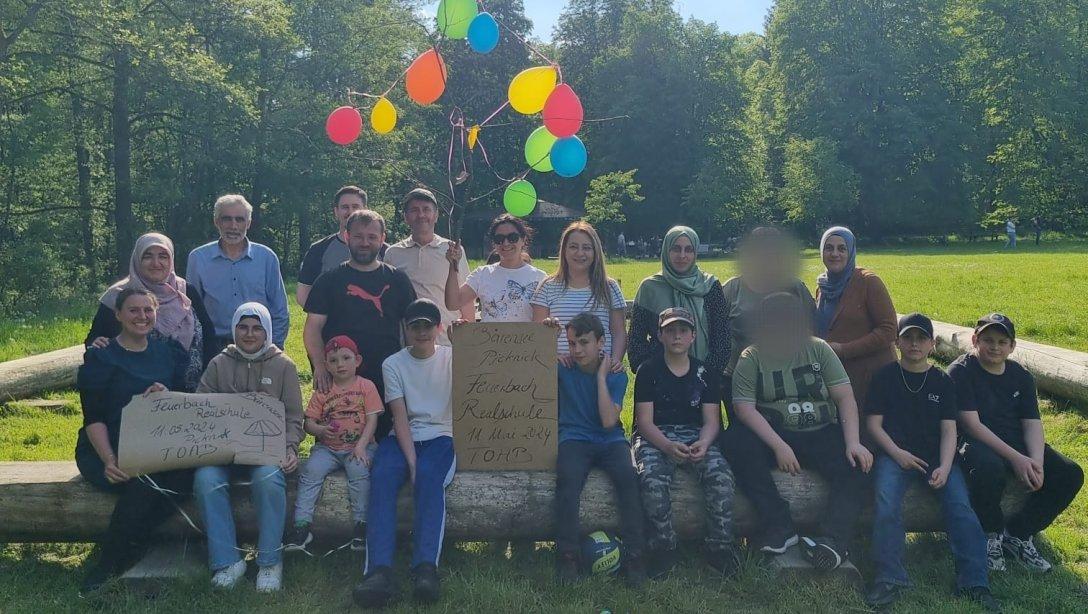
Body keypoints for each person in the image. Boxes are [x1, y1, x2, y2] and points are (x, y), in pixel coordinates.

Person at [721, 292, 871, 569]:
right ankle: (778, 525)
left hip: (820, 429)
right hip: (774, 432)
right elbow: (744, 409)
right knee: (734, 442)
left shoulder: (818, 349)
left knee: (858, 465)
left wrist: (853, 443)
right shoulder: (751, 356)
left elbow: (844, 397)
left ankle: (833, 540)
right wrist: (779, 445)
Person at [864, 313, 999, 611]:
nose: (914, 344)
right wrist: (897, 454)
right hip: (894, 455)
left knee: (961, 506)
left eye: (921, 338)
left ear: (932, 344)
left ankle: (974, 581)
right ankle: (889, 577)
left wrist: (946, 466)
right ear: (897, 342)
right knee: (886, 502)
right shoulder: (885, 377)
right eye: (908, 338)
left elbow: (950, 430)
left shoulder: (942, 380)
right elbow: (874, 425)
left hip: (938, 458)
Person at [75, 288, 194, 595]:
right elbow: (93, 417)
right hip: (106, 446)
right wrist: (109, 460)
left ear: (155, 314)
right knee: (146, 481)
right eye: (133, 310)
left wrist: (166, 394)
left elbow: (183, 401)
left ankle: (135, 542)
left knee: (189, 476)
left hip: (156, 444)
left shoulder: (168, 352)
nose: (141, 316)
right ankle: (109, 564)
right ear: (118, 315)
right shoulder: (101, 357)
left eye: (148, 310)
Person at [949, 313, 1083, 572]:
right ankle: (991, 534)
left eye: (1002, 341)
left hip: (1016, 441)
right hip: (977, 441)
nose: (995, 347)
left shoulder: (1020, 375)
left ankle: (1019, 534)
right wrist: (1016, 458)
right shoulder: (961, 371)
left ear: (1012, 346)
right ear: (975, 340)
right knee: (989, 469)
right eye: (988, 340)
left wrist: (1036, 461)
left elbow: (1032, 422)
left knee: (1070, 473)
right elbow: (971, 425)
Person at [192, 302, 304, 592]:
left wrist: (290, 448)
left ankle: (269, 561)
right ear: (234, 330)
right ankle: (228, 560)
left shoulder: (283, 366)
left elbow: (294, 416)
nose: (250, 334)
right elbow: (200, 407)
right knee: (206, 479)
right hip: (223, 451)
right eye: (243, 327)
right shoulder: (219, 363)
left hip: (265, 451)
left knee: (268, 479)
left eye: (257, 328)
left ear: (266, 330)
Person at [353, 299, 455, 609]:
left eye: (428, 325)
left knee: (428, 477)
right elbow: (399, 416)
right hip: (403, 436)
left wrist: (419, 468)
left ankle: (425, 568)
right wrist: (411, 461)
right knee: (382, 477)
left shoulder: (454, 358)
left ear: (439, 328)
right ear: (406, 329)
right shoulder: (393, 364)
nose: (422, 332)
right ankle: (379, 572)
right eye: (415, 326)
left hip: (441, 436)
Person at [634, 307, 738, 579]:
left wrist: (703, 443)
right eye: (670, 331)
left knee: (721, 475)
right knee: (651, 479)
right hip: (656, 435)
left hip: (695, 434)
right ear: (660, 336)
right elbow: (644, 422)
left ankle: (720, 548)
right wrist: (667, 447)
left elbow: (712, 421)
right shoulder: (648, 371)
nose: (676, 337)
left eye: (682, 331)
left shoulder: (705, 372)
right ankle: (664, 547)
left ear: (693, 336)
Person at [553, 313, 647, 587]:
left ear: (600, 342)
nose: (577, 350)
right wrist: (551, 353)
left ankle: (635, 556)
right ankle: (567, 555)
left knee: (630, 480)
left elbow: (608, 421)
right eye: (571, 344)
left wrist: (600, 378)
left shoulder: (616, 374)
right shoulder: (564, 368)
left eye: (583, 343)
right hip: (574, 437)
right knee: (567, 483)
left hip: (609, 439)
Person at [303, 209, 416, 435]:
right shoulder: (328, 280)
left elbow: (411, 328)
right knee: (336, 440)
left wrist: (412, 368)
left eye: (372, 237)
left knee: (382, 441)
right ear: (347, 237)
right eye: (358, 236)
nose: (365, 243)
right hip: (340, 374)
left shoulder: (398, 280)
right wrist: (321, 367)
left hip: (386, 375)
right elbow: (313, 328)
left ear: (383, 239)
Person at [285, 335, 383, 554]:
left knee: (359, 471)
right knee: (310, 471)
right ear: (326, 364)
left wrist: (361, 446)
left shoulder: (366, 386)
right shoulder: (323, 391)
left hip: (359, 446)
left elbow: (372, 419)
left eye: (346, 358)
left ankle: (361, 526)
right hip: (328, 448)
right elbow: (308, 422)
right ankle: (301, 525)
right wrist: (320, 430)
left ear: (357, 360)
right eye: (333, 360)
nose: (340, 364)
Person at [87, 232, 216, 390]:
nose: (156, 263)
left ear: (171, 259)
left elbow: (209, 337)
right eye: (147, 256)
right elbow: (94, 339)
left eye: (163, 256)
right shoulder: (119, 294)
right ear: (137, 259)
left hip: (191, 395)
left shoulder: (186, 291)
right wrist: (97, 342)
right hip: (138, 396)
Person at [186, 194, 290, 354]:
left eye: (239, 219)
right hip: (214, 347)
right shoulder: (198, 259)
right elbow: (191, 311)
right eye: (227, 219)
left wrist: (274, 348)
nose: (233, 226)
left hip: (258, 345)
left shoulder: (266, 258)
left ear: (248, 223)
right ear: (216, 222)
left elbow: (279, 309)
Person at [814, 226, 896, 420]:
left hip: (870, 376)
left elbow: (889, 330)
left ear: (851, 252)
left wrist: (843, 349)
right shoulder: (822, 286)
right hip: (837, 376)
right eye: (829, 248)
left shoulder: (868, 282)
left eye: (842, 248)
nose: (835, 254)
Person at [720, 227, 816, 388]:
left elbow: (812, 329)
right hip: (738, 377)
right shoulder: (732, 289)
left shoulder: (796, 287)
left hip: (786, 377)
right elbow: (716, 334)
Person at [629, 226, 730, 377]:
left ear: (695, 252)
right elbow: (636, 340)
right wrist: (652, 372)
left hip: (705, 377)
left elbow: (722, 337)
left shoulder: (710, 286)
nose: (682, 255)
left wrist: (707, 374)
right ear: (666, 250)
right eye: (676, 249)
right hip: (660, 378)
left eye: (688, 249)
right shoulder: (649, 288)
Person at [531, 221, 626, 368]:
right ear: (564, 251)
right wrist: (552, 356)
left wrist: (615, 360)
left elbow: (618, 332)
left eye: (586, 248)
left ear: (595, 252)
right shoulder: (547, 286)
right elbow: (536, 334)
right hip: (559, 371)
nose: (580, 253)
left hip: (599, 370)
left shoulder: (609, 287)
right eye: (573, 247)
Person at [383, 188, 472, 345]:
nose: (421, 215)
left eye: (426, 209)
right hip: (411, 346)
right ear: (406, 217)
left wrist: (469, 339)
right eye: (414, 210)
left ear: (436, 215)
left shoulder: (453, 250)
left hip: (448, 343)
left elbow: (465, 297)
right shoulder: (393, 253)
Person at [297, 185, 388, 307]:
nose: (350, 212)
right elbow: (303, 295)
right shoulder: (318, 250)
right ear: (336, 211)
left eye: (355, 207)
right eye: (345, 207)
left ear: (365, 210)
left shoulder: (385, 250)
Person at [444, 214, 545, 322]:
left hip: (525, 338)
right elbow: (453, 304)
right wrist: (453, 264)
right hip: (489, 338)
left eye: (512, 238)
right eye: (499, 239)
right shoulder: (482, 274)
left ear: (523, 240)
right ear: (494, 243)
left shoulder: (540, 278)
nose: (506, 243)